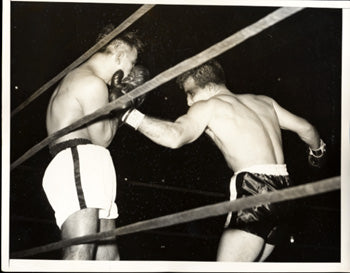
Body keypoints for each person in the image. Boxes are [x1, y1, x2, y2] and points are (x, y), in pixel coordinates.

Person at [120, 59, 326, 262]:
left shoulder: (210, 106)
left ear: (209, 86)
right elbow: (306, 129)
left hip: (255, 188)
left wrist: (127, 114)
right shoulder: (264, 101)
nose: (188, 102)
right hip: (286, 193)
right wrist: (317, 153)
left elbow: (175, 136)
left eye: (190, 94)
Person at [43, 26, 148, 260]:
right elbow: (102, 139)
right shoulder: (92, 83)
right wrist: (120, 105)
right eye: (131, 62)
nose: (130, 70)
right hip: (79, 160)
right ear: (120, 54)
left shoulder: (79, 78)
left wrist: (114, 101)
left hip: (85, 161)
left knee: (108, 258)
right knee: (80, 251)